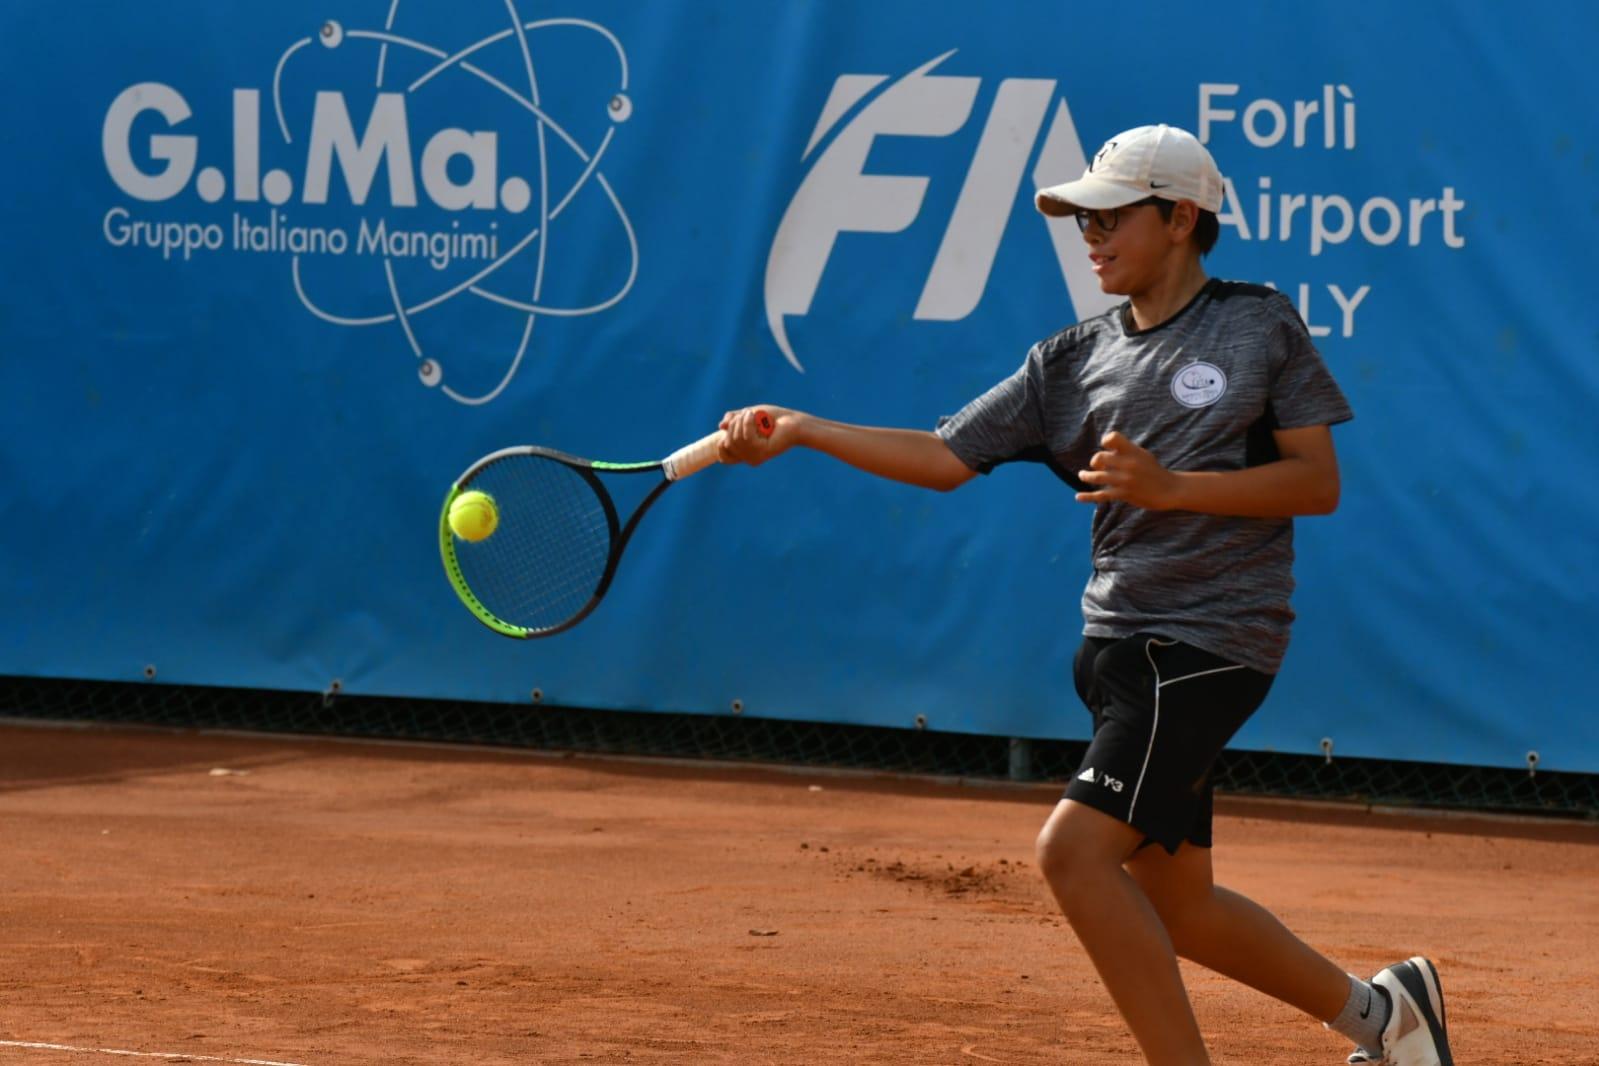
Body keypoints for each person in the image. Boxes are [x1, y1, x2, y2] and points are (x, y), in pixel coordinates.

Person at [718, 124, 1452, 1066]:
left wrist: (1174, 488)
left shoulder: (1256, 323)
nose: (1089, 235)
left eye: (1109, 216)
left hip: (1205, 646)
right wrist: (807, 429)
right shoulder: (1068, 360)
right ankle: (1383, 1017)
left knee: (1071, 855)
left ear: (1180, 217)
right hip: (1114, 651)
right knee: (1177, 908)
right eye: (1080, 219)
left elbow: (1317, 482)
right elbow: (945, 457)